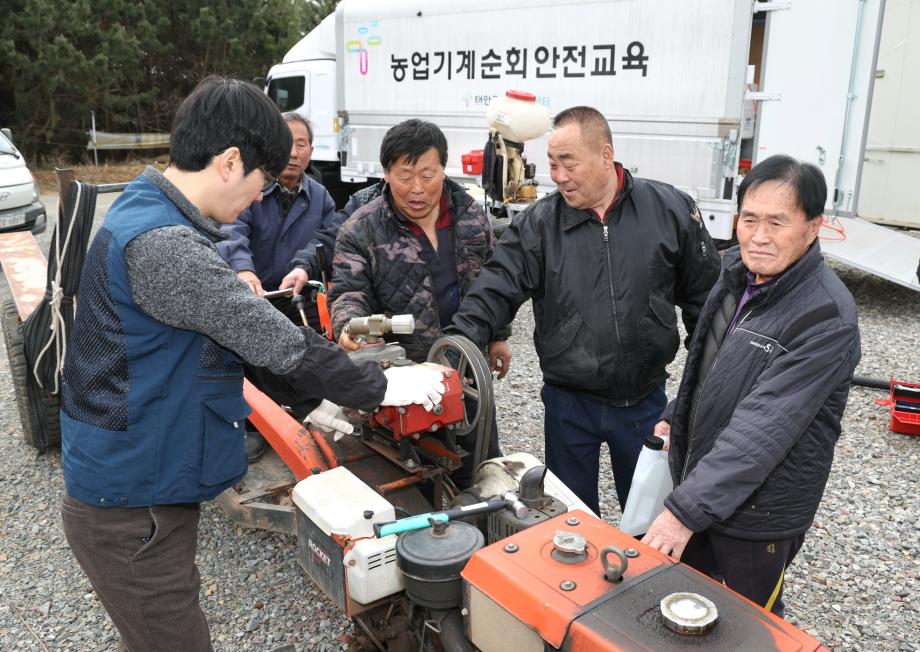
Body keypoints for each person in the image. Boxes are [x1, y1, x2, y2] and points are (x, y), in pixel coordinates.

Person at [58, 77, 445, 652]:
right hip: (132, 507)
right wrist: (381, 387)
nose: (258, 201)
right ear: (230, 161)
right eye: (261, 184)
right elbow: (280, 344)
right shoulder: (166, 247)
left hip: (137, 482)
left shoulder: (145, 209)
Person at [447, 105, 720, 516]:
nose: (557, 176)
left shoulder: (669, 210)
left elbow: (707, 301)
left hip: (645, 401)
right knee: (570, 520)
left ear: (605, 155)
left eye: (568, 162)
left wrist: (706, 386)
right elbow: (494, 288)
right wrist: (457, 349)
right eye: (552, 164)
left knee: (646, 517)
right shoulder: (539, 224)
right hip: (568, 403)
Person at [641, 155, 861, 618]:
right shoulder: (734, 273)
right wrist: (675, 413)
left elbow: (762, 428)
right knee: (688, 607)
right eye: (749, 219)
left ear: (813, 226)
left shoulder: (825, 317)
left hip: (759, 515)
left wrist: (683, 512)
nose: (759, 236)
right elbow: (714, 366)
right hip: (705, 487)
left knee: (748, 622)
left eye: (778, 222)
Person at [328, 119, 510, 487]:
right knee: (413, 479)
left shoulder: (472, 216)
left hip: (465, 366)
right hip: (403, 377)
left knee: (482, 470)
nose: (417, 189)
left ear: (443, 168)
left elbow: (493, 282)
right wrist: (350, 325)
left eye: (428, 174)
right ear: (386, 174)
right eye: (405, 175)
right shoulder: (361, 229)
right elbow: (349, 292)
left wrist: (498, 335)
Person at [216, 112, 336, 329]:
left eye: (301, 145)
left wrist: (303, 267)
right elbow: (232, 231)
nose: (293, 153)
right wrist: (243, 270)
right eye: (287, 144)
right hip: (254, 297)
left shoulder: (321, 197)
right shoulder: (250, 189)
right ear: (272, 148)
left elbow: (326, 241)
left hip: (301, 296)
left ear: (312, 151)